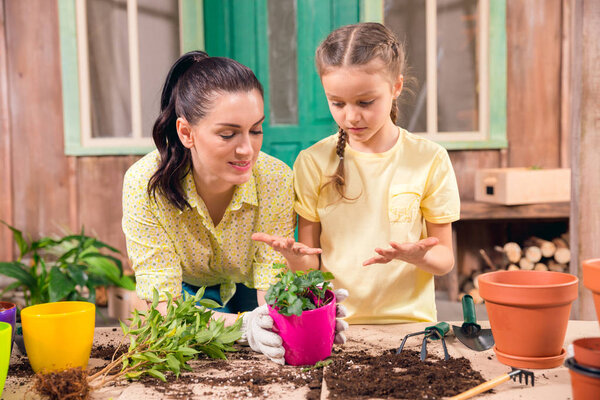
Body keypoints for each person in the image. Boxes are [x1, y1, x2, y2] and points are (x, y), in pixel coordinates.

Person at [122, 51, 342, 365]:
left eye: (255, 130)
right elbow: (164, 308)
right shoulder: (144, 186)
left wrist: (307, 316)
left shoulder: (275, 179)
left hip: (245, 284)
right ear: (187, 133)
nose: (246, 150)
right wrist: (244, 327)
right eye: (227, 134)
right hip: (183, 293)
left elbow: (271, 280)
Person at [254, 22, 460, 324]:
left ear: (396, 87)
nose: (350, 116)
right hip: (336, 325)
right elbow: (311, 266)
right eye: (337, 103)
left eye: (365, 102)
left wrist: (418, 256)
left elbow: (444, 261)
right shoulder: (312, 162)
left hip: (411, 326)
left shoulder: (429, 159)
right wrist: (297, 260)